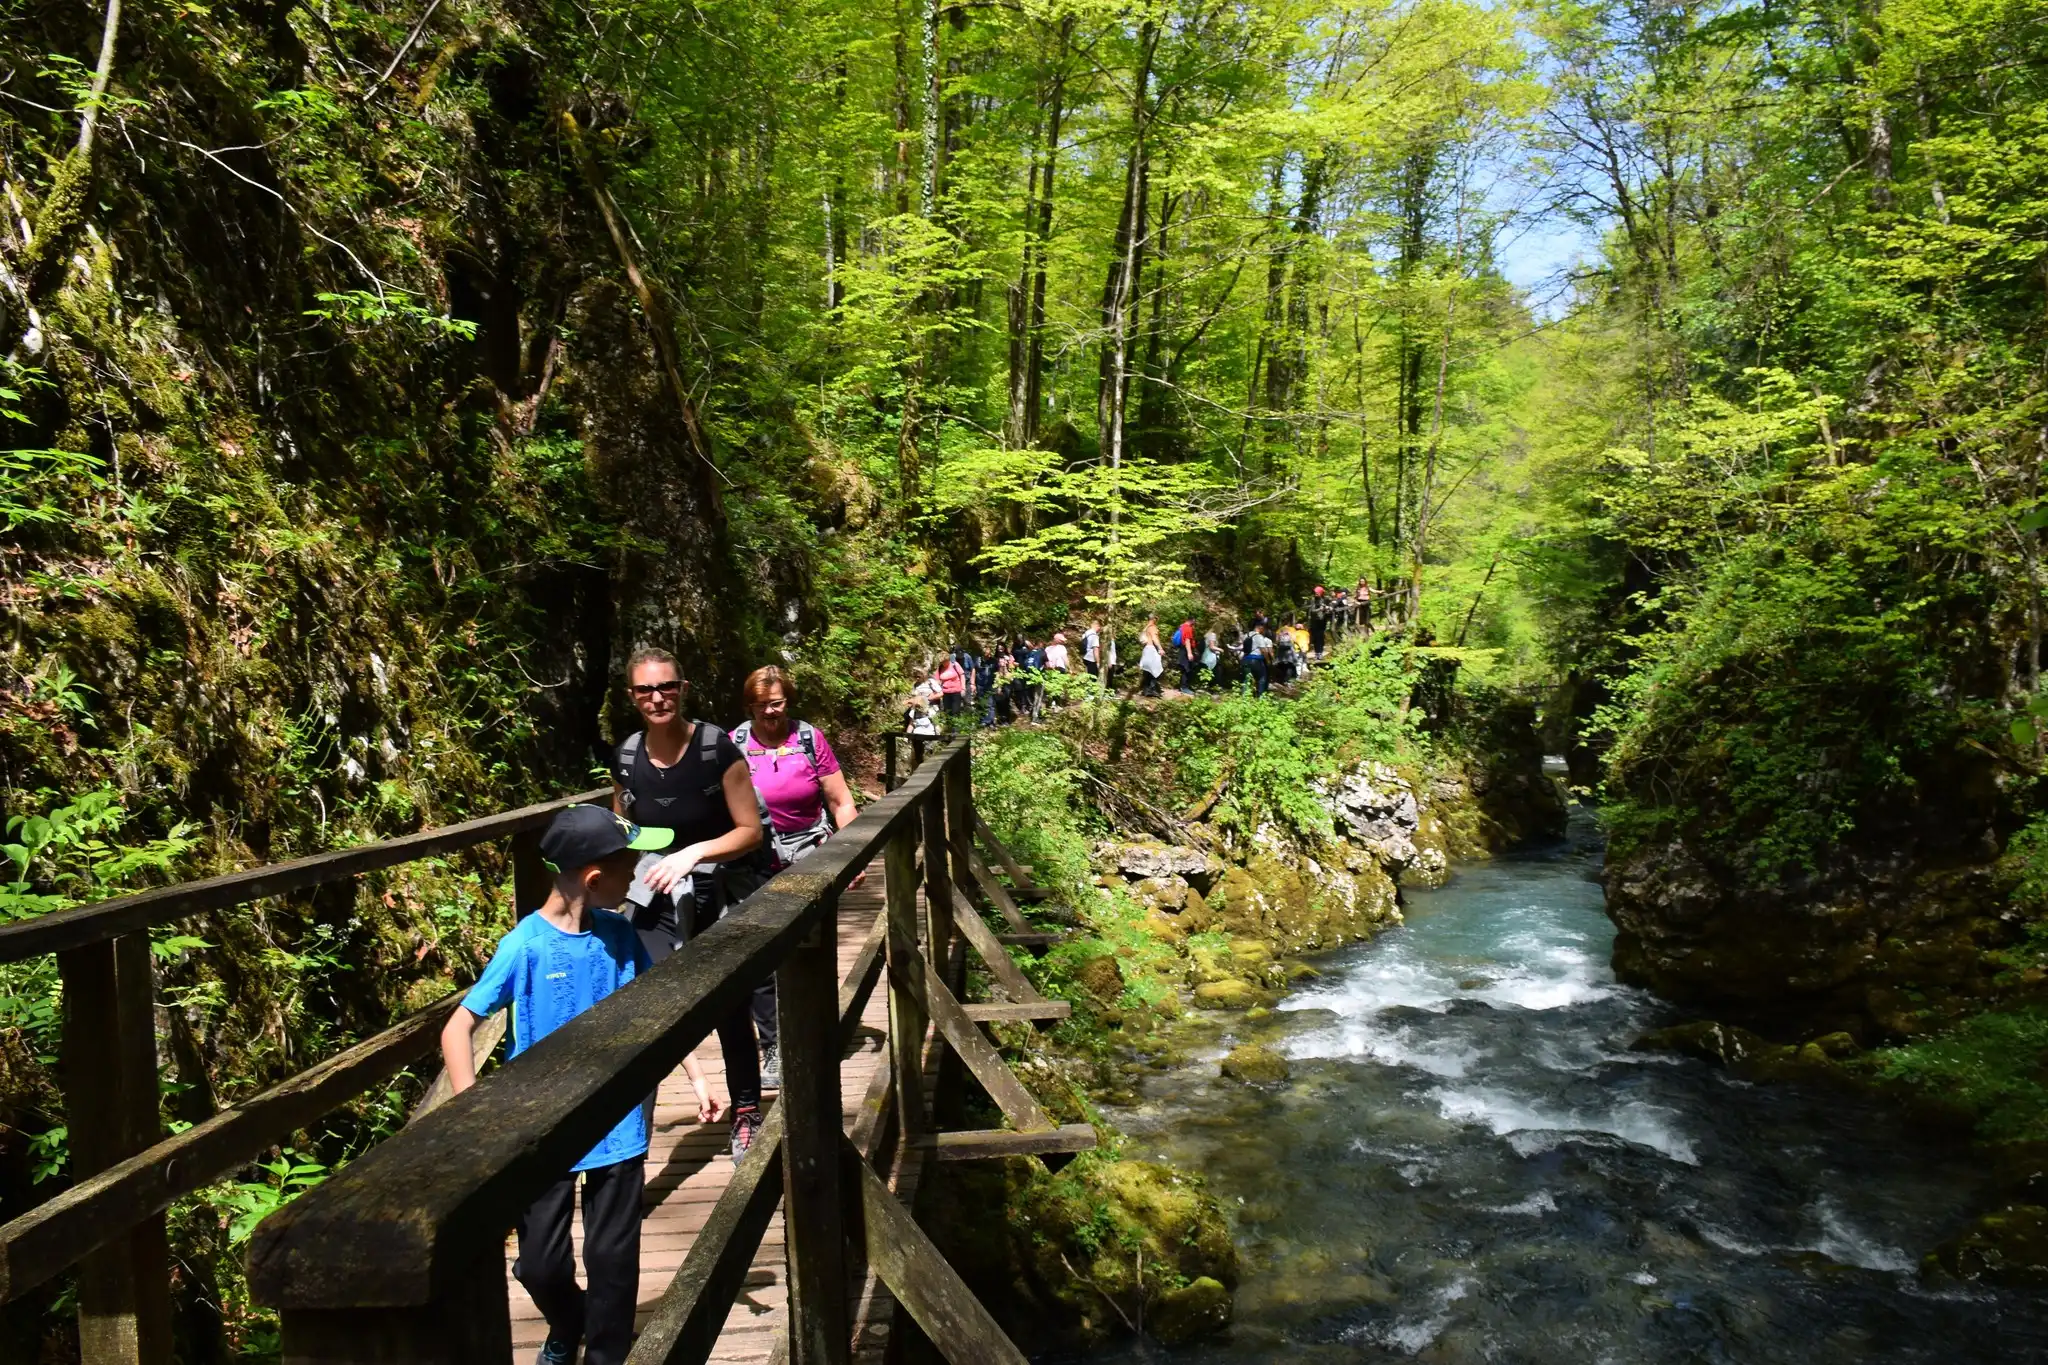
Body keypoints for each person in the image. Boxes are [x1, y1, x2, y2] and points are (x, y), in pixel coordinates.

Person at [441, 804, 706, 1365]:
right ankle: (568, 1321)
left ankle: (604, 1355)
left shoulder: (620, 933)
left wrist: (698, 1074)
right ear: (593, 876)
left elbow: (656, 1008)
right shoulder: (526, 946)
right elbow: (459, 1027)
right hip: (541, 1128)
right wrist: (470, 1112)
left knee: (613, 1260)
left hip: (617, 1124)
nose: (636, 873)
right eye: (627, 864)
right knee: (540, 1265)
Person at [611, 647, 770, 1162]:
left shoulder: (714, 748)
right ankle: (633, 1136)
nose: (657, 698)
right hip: (656, 898)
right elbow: (625, 832)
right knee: (650, 1013)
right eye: (645, 690)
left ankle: (746, 1110)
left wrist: (693, 852)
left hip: (716, 892)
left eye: (667, 687)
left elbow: (750, 831)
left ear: (682, 688)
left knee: (728, 1007)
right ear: (632, 696)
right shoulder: (629, 756)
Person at [733, 666, 859, 874]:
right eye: (760, 705)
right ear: (750, 706)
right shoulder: (735, 744)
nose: (769, 711)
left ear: (787, 701)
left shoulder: (809, 738)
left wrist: (852, 855)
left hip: (810, 852)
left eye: (776, 703)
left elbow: (841, 801)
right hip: (754, 861)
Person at [935, 651, 966, 721]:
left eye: (945, 662)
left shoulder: (955, 665)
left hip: (956, 691)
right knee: (947, 711)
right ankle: (949, 728)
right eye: (942, 662)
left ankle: (956, 730)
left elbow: (962, 675)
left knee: (956, 711)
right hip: (945, 693)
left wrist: (963, 688)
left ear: (948, 660)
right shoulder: (940, 668)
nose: (943, 664)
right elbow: (937, 680)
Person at [1243, 620, 1271, 698]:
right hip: (1256, 661)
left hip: (1245, 659)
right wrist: (1268, 660)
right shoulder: (1259, 637)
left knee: (1246, 679)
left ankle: (1244, 697)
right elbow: (1263, 650)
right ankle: (1260, 697)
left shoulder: (1246, 635)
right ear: (1260, 627)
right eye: (1263, 628)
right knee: (1262, 678)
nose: (1264, 630)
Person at [1137, 618, 1164, 697]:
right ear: (1154, 619)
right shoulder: (1152, 628)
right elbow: (1154, 638)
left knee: (1147, 670)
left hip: (1146, 650)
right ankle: (1152, 690)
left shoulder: (1146, 628)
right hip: (1152, 649)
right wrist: (1160, 648)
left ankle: (1146, 690)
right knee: (1155, 669)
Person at [1309, 586, 1328, 659]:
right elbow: (1312, 611)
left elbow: (1329, 608)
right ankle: (1317, 653)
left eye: (1317, 592)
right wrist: (1320, 609)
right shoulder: (1313, 600)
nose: (1316, 594)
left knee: (1321, 637)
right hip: (1315, 621)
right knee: (1316, 637)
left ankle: (1320, 653)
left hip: (1323, 620)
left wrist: (1326, 608)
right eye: (1315, 592)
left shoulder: (1325, 599)